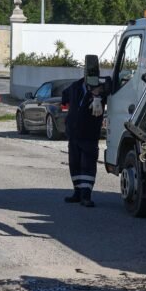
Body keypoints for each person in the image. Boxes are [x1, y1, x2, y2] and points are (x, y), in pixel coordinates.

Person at [61, 76, 106, 207]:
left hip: (89, 135)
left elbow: (112, 89)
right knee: (74, 164)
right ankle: (77, 192)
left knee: (87, 165)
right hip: (74, 133)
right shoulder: (75, 86)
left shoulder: (102, 87)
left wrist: (98, 95)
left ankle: (86, 196)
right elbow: (64, 97)